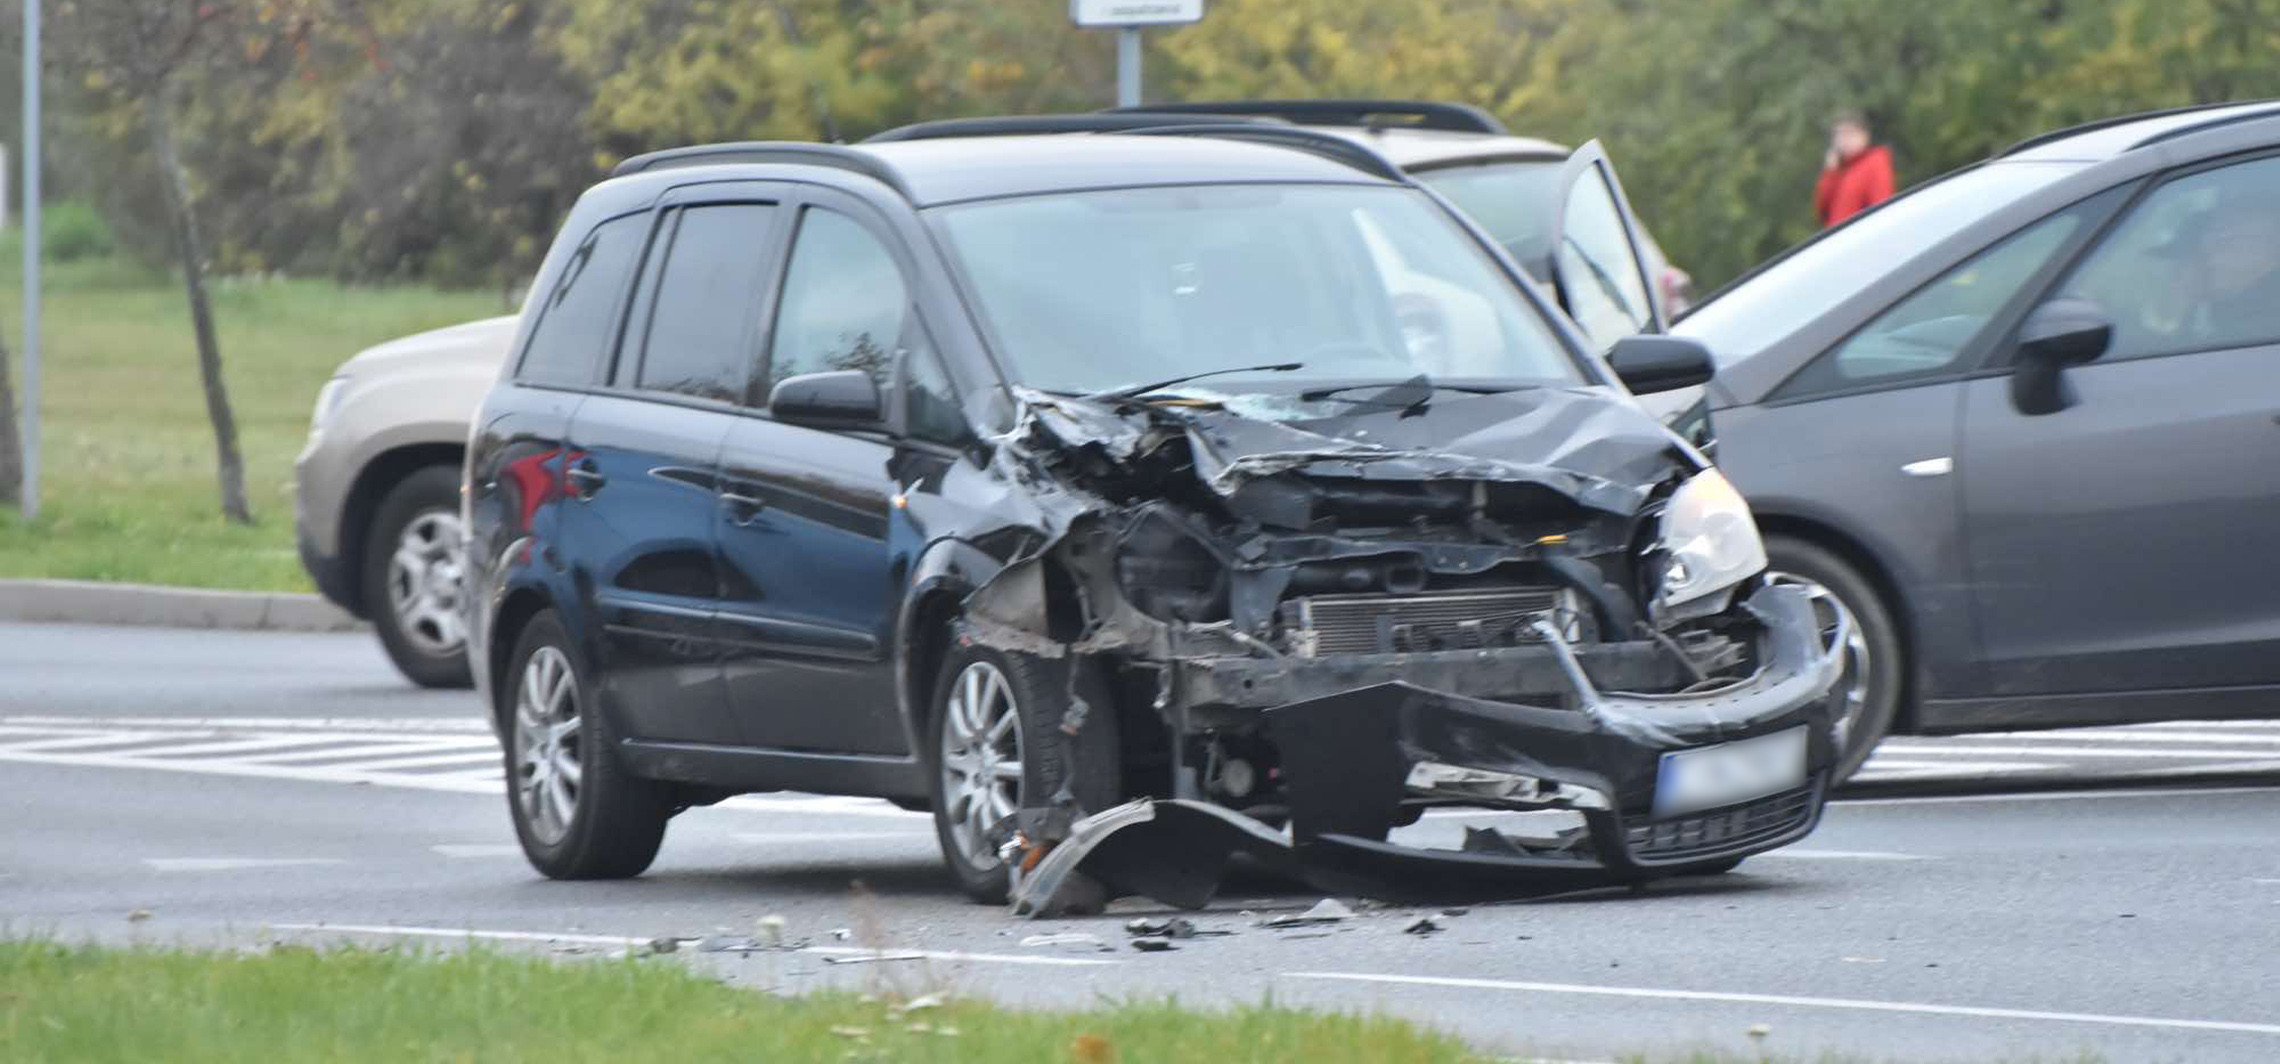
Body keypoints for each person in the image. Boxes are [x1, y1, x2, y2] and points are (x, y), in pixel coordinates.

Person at [1813, 111, 1896, 228]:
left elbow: (1881, 207)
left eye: (1849, 134)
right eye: (1838, 135)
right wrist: (1831, 173)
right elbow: (1822, 212)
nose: (1843, 141)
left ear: (1865, 135)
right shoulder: (1839, 171)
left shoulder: (1875, 162)